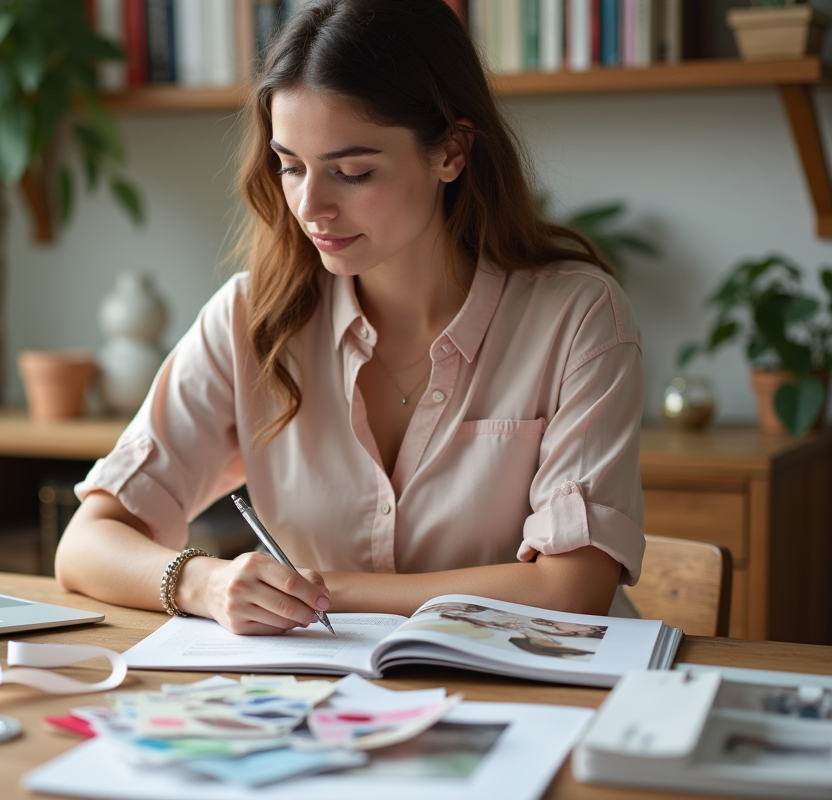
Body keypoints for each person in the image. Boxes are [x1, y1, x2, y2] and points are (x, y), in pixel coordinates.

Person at [56, 0, 645, 636]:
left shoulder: (577, 316)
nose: (310, 206)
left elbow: (573, 589)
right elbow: (85, 544)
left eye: (353, 172)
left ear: (451, 151)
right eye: (290, 166)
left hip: (536, 686)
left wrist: (317, 591)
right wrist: (207, 583)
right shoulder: (252, 317)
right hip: (327, 692)